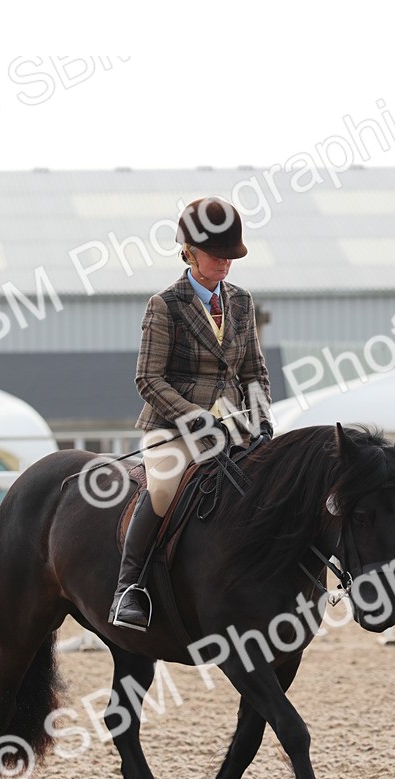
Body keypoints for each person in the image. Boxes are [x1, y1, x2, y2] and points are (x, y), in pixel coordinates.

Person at [109, 197, 273, 631]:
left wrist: (262, 418)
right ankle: (130, 588)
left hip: (234, 425)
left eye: (229, 257)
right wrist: (194, 418)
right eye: (216, 256)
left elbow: (254, 369)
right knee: (162, 489)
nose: (224, 264)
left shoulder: (241, 302)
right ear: (188, 252)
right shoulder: (165, 305)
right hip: (172, 428)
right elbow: (148, 379)